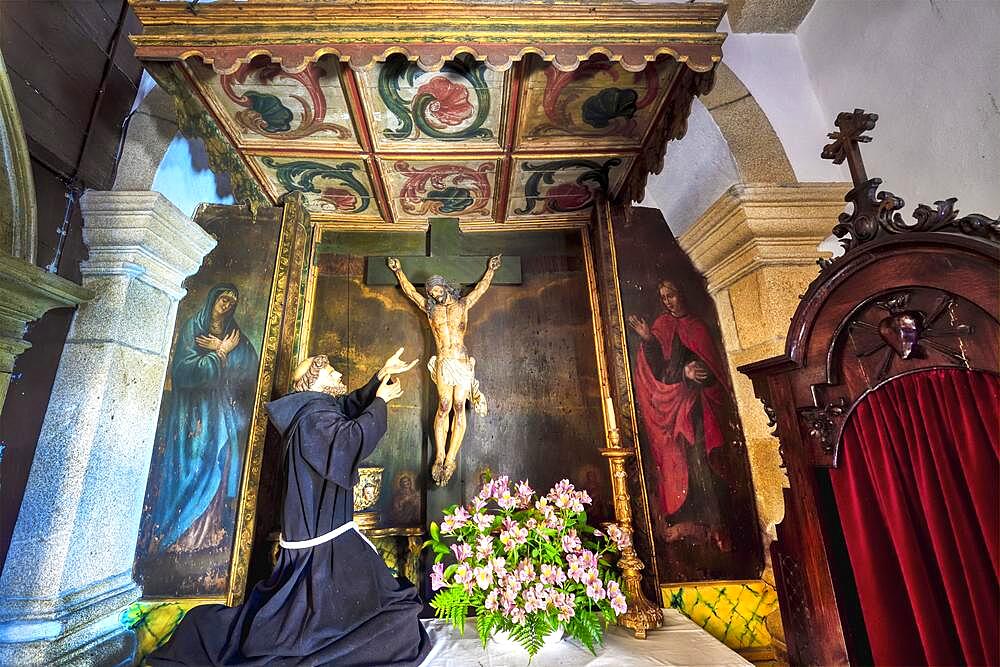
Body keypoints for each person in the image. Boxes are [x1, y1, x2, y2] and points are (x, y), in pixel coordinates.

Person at [146, 348, 433, 666]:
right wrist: (381, 401)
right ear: (315, 382)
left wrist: (380, 374)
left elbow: (346, 409)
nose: (337, 375)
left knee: (392, 615)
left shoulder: (315, 410)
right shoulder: (314, 418)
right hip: (323, 550)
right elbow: (351, 439)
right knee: (392, 623)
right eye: (330, 372)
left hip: (329, 541)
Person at [149, 283, 258, 553]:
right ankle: (179, 534)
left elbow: (249, 369)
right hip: (193, 414)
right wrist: (220, 353)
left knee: (221, 459)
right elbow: (184, 372)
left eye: (232, 301)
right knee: (193, 463)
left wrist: (222, 349)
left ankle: (208, 531)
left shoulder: (235, 336)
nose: (227, 305)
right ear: (212, 299)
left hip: (220, 412)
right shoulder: (192, 329)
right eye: (223, 299)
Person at [626, 280, 732, 534]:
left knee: (699, 460)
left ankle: (714, 522)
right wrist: (649, 340)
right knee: (680, 460)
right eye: (663, 297)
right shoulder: (662, 326)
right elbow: (662, 372)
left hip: (696, 407)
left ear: (682, 294)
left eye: (671, 295)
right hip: (672, 404)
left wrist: (697, 373)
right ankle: (690, 518)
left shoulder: (698, 329)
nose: (667, 302)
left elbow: (713, 371)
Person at [387, 254, 501, 485]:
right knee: (444, 406)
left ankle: (451, 458)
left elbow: (480, 290)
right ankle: (439, 455)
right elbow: (411, 293)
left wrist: (491, 270)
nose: (435, 296)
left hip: (461, 361)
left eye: (437, 291)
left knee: (459, 406)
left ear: (445, 288)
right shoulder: (431, 311)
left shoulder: (462, 304)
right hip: (443, 361)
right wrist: (399, 271)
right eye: (432, 294)